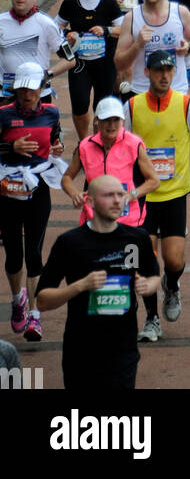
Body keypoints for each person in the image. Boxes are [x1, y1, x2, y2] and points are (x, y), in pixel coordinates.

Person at [36, 174, 161, 390]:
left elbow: (154, 276)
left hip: (124, 349)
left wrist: (147, 286)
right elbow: (42, 301)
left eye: (120, 194)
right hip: (82, 350)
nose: (117, 201)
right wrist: (79, 286)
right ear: (90, 201)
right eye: (108, 195)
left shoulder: (136, 238)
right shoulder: (70, 243)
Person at [128, 48, 190, 342]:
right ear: (147, 73)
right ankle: (152, 320)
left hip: (175, 194)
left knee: (175, 261)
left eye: (169, 70)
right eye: (158, 71)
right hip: (142, 197)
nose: (164, 75)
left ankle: (173, 284)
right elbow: (118, 144)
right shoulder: (132, 107)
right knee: (144, 262)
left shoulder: (184, 104)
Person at [0, 61, 65, 342]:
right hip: (7, 190)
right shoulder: (3, 114)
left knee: (34, 252)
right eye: (23, 89)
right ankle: (18, 300)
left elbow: (56, 139)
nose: (27, 94)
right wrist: (10, 147)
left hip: (38, 188)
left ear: (41, 88)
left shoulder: (51, 113)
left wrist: (57, 146)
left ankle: (35, 318)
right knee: (14, 254)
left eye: (32, 89)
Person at [61, 96, 159, 229]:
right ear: (97, 121)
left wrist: (132, 194)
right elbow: (66, 178)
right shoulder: (85, 146)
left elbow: (154, 181)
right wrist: (74, 194)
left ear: (122, 121)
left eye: (116, 120)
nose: (112, 125)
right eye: (106, 120)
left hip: (128, 222)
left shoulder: (134, 144)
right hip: (94, 221)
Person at [54, 0, 124, 141]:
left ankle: (98, 141)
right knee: (79, 105)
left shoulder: (109, 3)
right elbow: (55, 27)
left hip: (105, 63)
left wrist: (106, 30)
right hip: (80, 63)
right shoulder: (70, 3)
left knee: (102, 107)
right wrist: (67, 34)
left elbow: (124, 29)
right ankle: (84, 141)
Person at [114, 0, 190, 95]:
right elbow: (119, 63)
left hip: (176, 90)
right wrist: (137, 44)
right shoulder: (131, 18)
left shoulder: (180, 12)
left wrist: (189, 47)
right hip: (142, 91)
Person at [0, 0, 73, 98]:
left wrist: (47, 75)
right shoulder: (1, 21)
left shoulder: (46, 23)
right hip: (6, 95)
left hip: (38, 95)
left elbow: (70, 60)